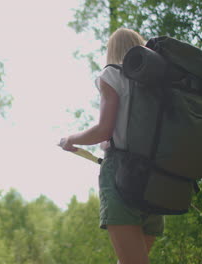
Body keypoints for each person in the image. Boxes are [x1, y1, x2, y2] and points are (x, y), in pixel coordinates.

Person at [59, 28, 164, 264]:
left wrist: (71, 140)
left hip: (123, 175)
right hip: (158, 178)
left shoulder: (111, 75)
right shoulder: (158, 84)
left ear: (112, 51)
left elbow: (103, 130)